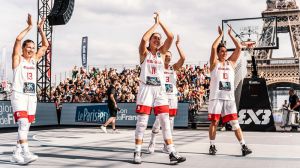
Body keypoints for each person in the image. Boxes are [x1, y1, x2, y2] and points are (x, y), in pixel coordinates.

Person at [133, 12, 186, 164]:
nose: (157, 39)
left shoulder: (162, 54)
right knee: (142, 122)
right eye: (154, 38)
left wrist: (160, 22)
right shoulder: (144, 53)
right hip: (146, 89)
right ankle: (137, 152)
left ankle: (171, 152)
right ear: (150, 41)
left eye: (158, 38)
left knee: (165, 121)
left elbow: (170, 36)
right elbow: (143, 39)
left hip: (160, 90)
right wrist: (155, 25)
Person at [10, 14, 49, 164]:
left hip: (31, 97)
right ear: (24, 49)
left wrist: (40, 30)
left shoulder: (34, 60)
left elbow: (45, 46)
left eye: (33, 48)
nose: (32, 50)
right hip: (19, 95)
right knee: (23, 123)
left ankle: (16, 152)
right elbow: (18, 39)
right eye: (29, 47)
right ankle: (26, 152)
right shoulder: (17, 59)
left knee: (26, 126)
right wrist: (30, 27)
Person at [208, 26, 252, 156]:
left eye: (225, 51)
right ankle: (212, 145)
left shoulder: (231, 63)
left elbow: (239, 48)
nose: (224, 53)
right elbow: (212, 48)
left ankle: (243, 146)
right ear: (218, 53)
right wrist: (220, 36)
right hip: (216, 97)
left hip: (229, 98)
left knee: (235, 122)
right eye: (221, 51)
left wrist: (230, 34)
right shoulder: (214, 63)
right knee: (215, 122)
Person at [147, 35, 186, 154]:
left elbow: (183, 58)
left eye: (170, 57)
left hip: (172, 97)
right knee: (159, 121)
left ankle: (166, 145)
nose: (168, 58)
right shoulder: (158, 66)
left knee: (171, 122)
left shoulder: (173, 68)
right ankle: (152, 141)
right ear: (163, 57)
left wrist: (178, 45)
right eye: (166, 56)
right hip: (162, 96)